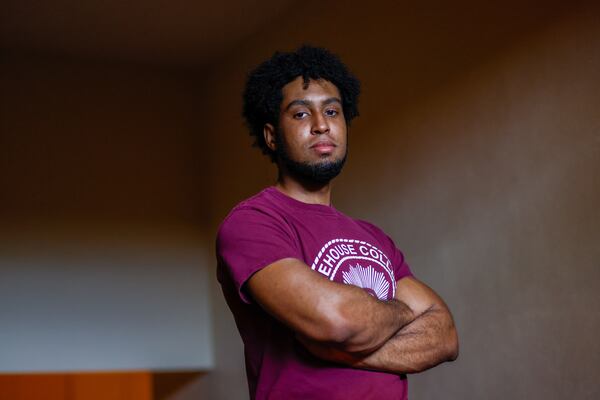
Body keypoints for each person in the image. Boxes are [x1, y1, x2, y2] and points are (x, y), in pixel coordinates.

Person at [216, 45, 458, 400]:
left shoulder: (374, 237)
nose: (321, 125)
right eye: (300, 114)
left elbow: (444, 335)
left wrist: (345, 350)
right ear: (271, 136)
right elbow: (338, 321)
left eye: (332, 111)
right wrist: (402, 313)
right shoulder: (253, 223)